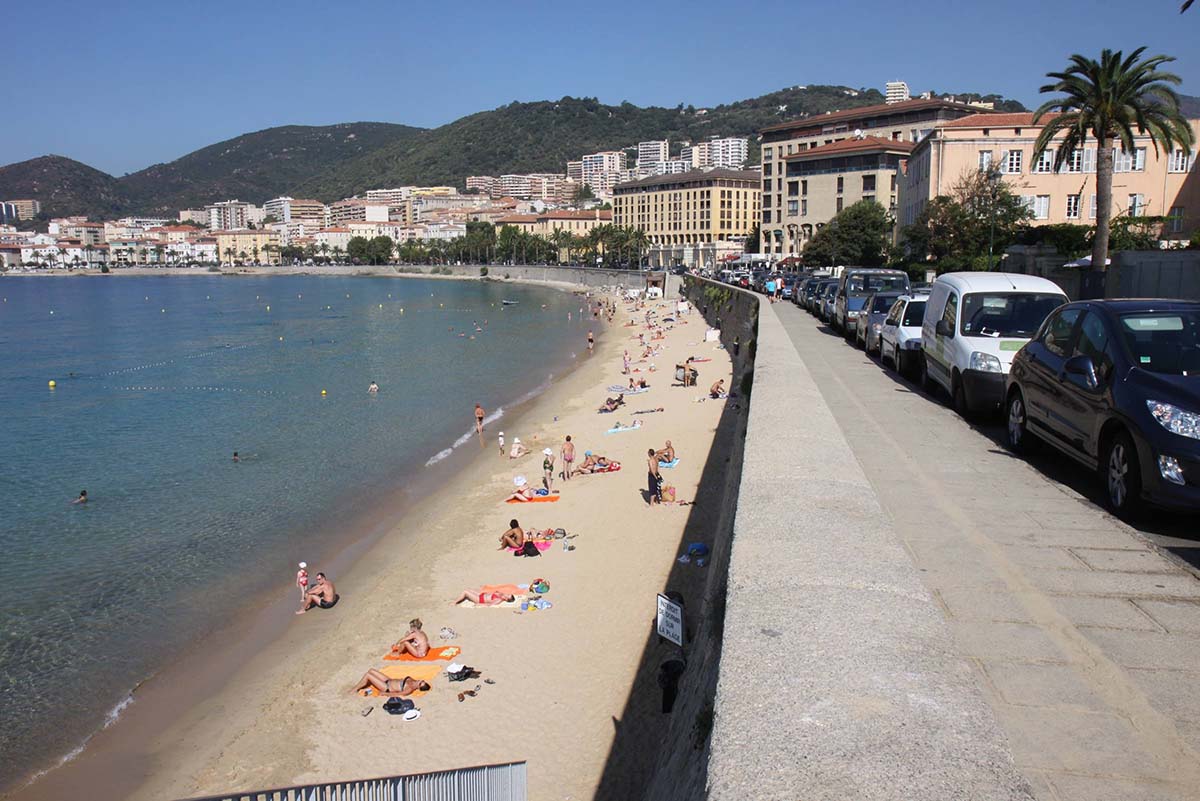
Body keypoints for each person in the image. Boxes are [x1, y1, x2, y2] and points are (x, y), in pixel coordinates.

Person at [353, 669, 430, 697]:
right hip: (388, 680)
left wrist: (385, 694)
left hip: (386, 687)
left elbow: (397, 694)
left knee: (368, 675)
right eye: (422, 681)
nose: (420, 681)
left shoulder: (409, 689)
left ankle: (355, 689)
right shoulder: (413, 680)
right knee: (371, 670)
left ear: (418, 688)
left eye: (420, 683)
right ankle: (363, 684)